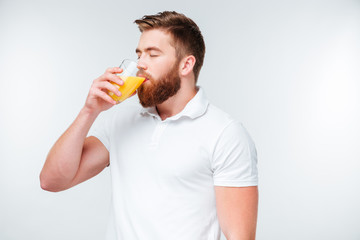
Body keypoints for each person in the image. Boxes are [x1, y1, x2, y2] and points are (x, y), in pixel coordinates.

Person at [40, 11, 259, 240]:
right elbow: (51, 181)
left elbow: (240, 236)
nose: (140, 65)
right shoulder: (121, 121)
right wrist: (89, 111)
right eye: (139, 54)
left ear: (186, 65)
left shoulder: (226, 134)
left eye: (152, 55)